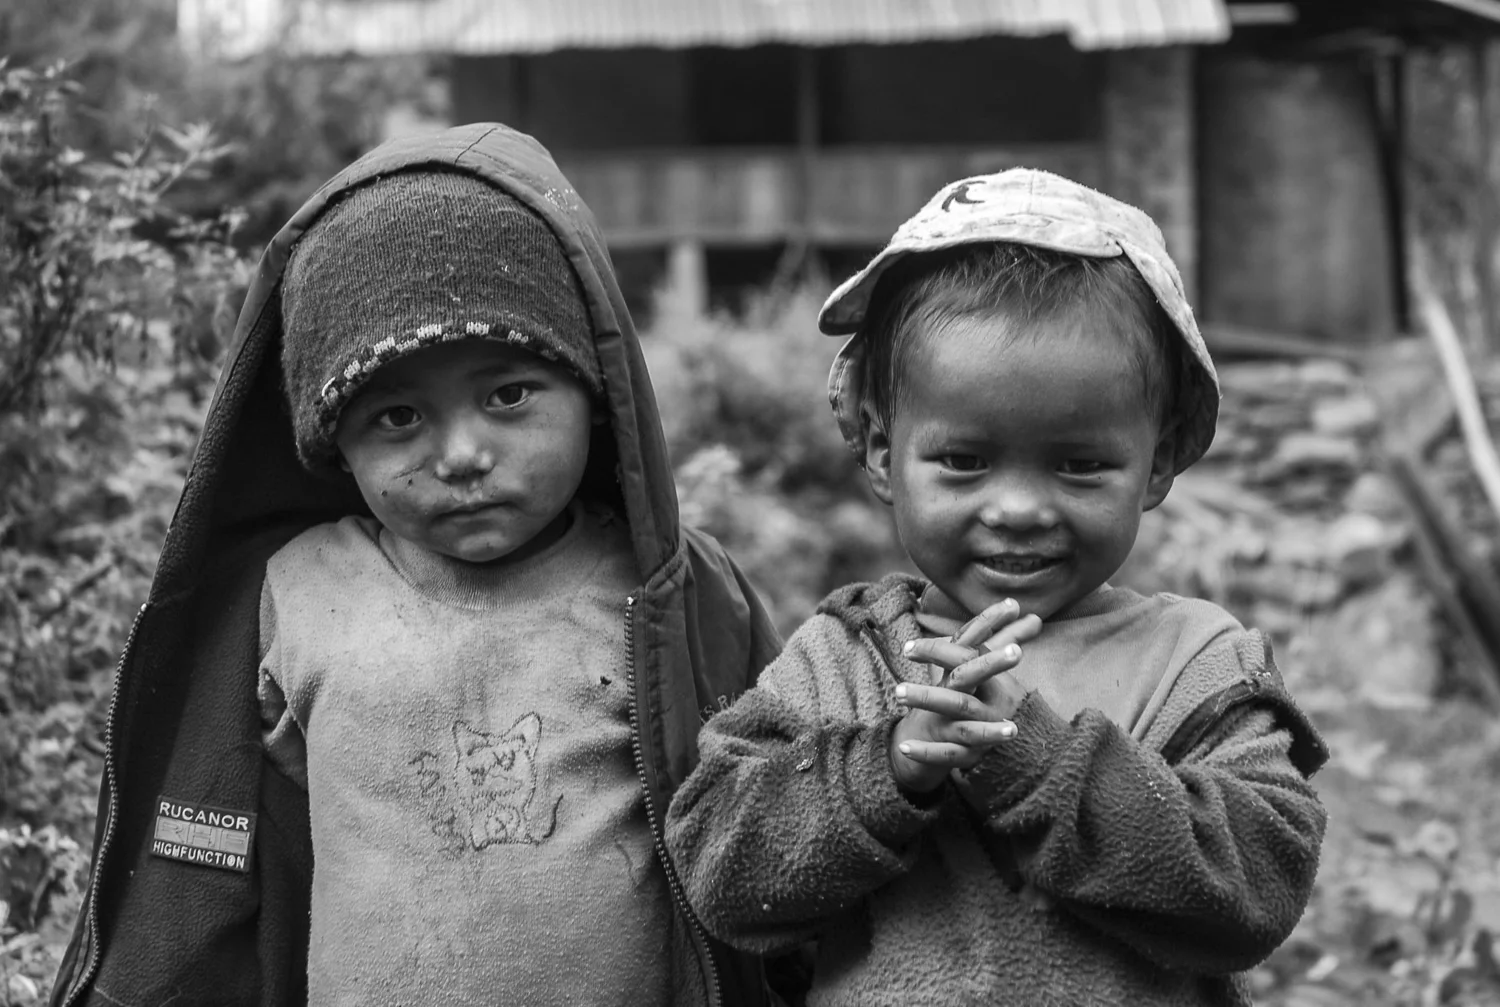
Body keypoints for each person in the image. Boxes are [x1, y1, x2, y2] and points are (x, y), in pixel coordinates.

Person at [50, 124, 783, 1007]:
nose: (464, 453)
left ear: (595, 390)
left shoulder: (677, 595)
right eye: (398, 417)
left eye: (509, 394)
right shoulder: (292, 596)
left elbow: (775, 833)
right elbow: (199, 885)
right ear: (334, 448)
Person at [665, 169, 1329, 1006]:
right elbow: (721, 868)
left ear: (1159, 459)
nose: (1017, 508)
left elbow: (1258, 884)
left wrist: (1041, 762)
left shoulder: (1198, 665)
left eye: (1080, 464)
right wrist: (884, 769)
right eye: (964, 461)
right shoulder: (845, 661)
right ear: (879, 448)